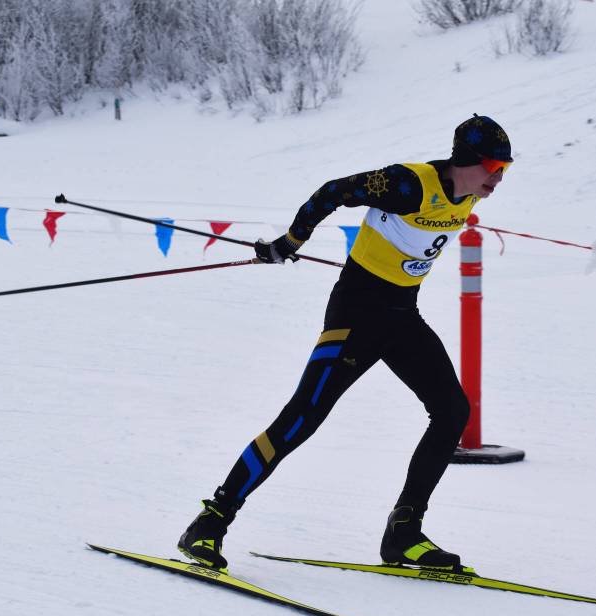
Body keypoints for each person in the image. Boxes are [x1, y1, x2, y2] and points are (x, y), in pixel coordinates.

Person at [178, 114, 513, 572]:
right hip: (356, 314)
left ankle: (404, 533)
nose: (499, 178)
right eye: (494, 166)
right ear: (466, 160)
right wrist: (291, 240)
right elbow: (332, 192)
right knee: (302, 418)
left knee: (452, 410)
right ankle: (211, 521)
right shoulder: (407, 184)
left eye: (506, 170)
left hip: (401, 315)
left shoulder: (466, 194)